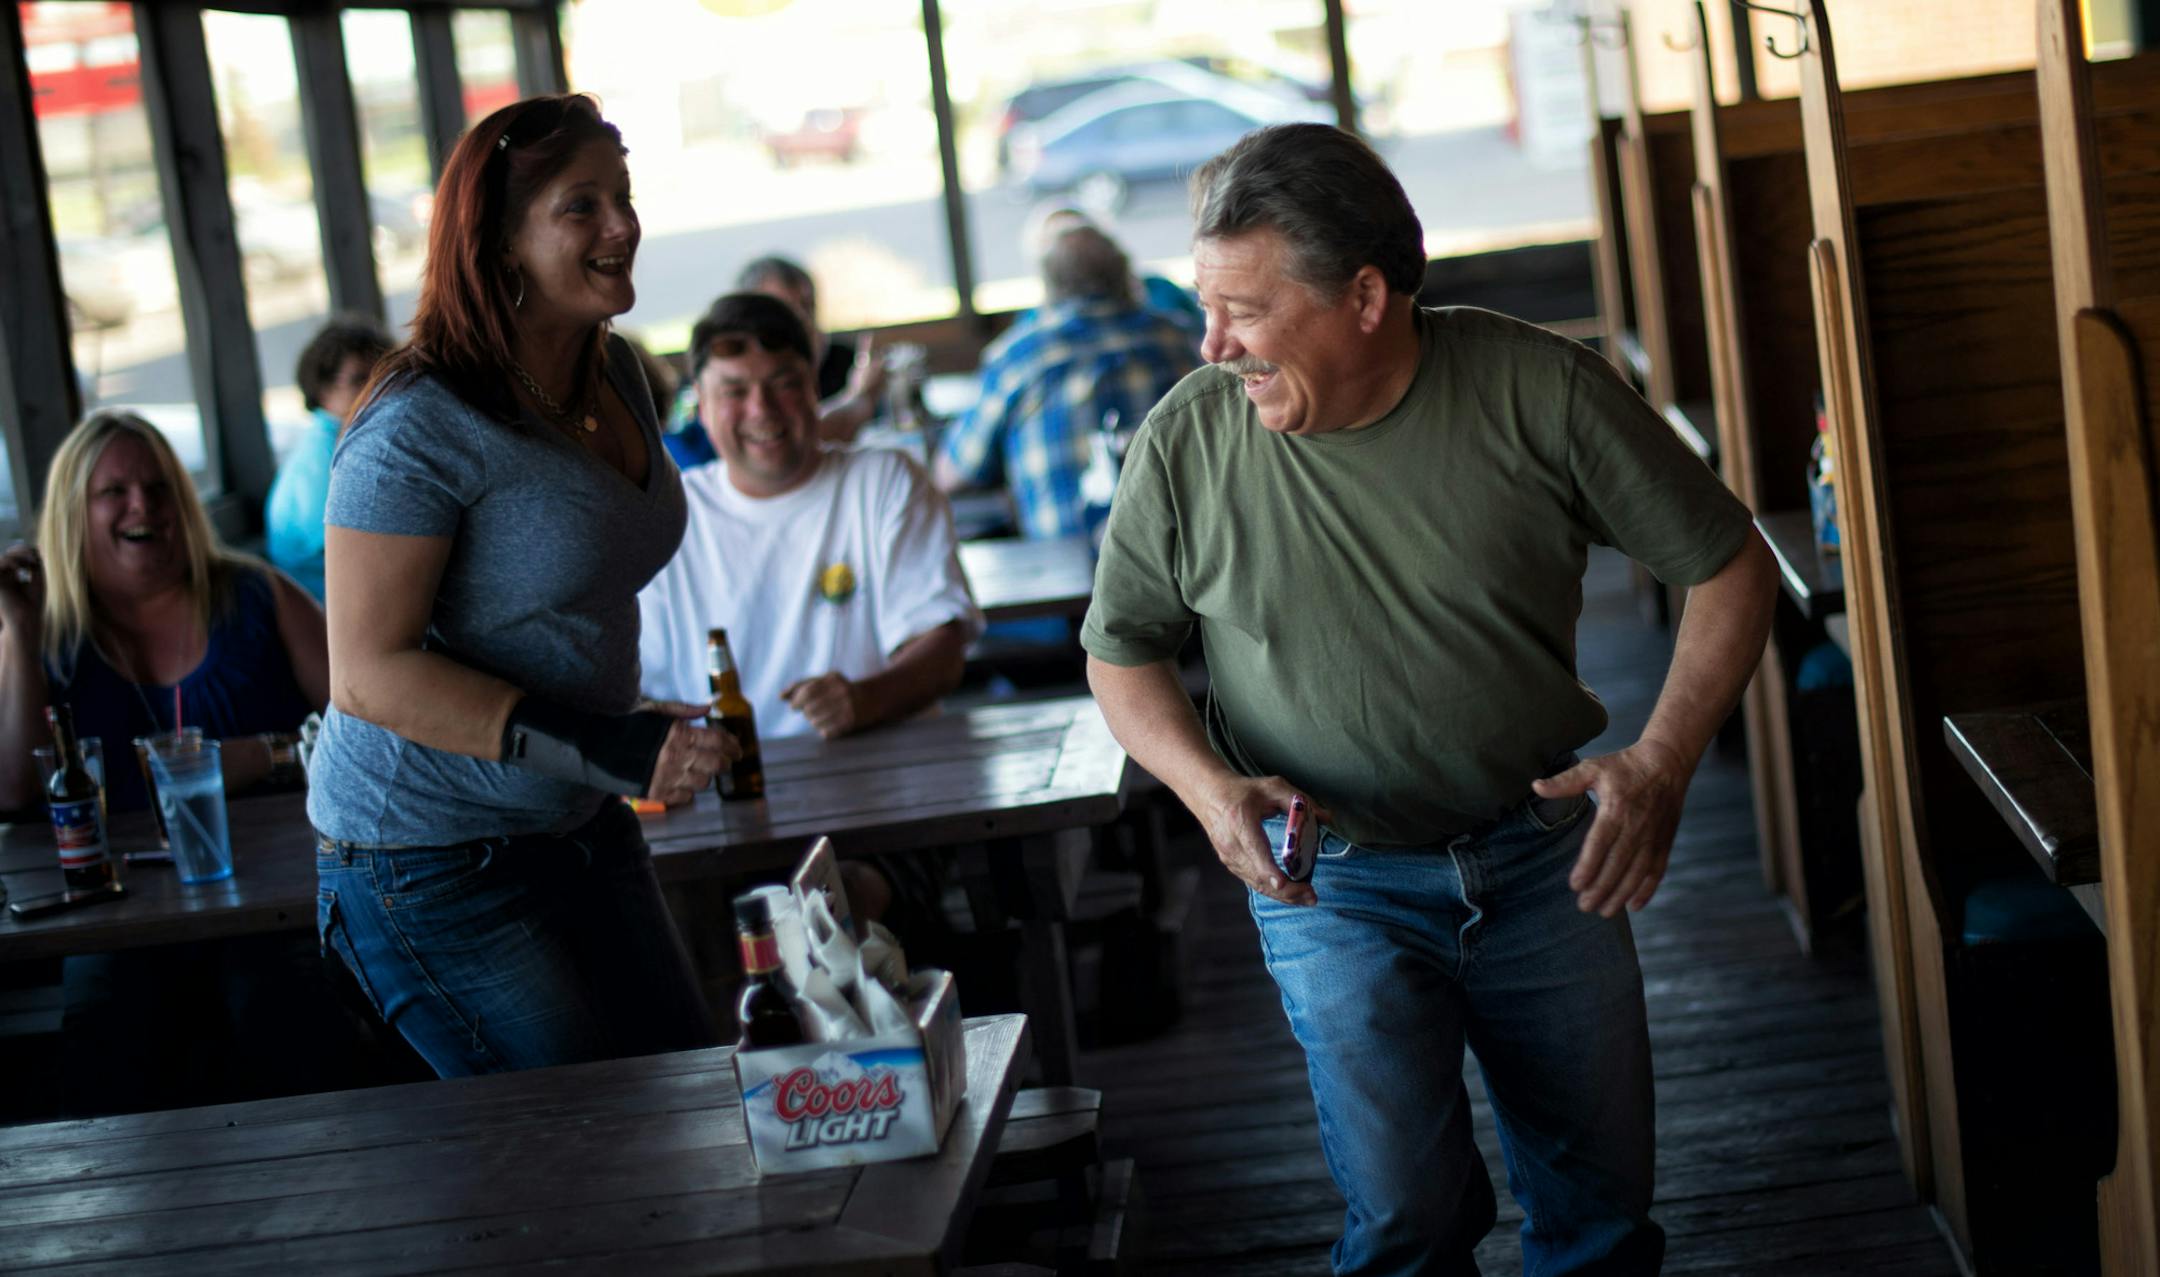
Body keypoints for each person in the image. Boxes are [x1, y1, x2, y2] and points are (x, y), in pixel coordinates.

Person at [1080, 123, 1778, 1275]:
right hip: (1333, 879)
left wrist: (1659, 761)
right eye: (1205, 306)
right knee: (1404, 1220)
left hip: (1551, 859)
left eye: (1244, 310)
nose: (1211, 346)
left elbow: (1728, 561)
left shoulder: (1539, 386)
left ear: (1364, 294)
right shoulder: (1188, 441)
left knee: (1600, 1215)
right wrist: (1209, 793)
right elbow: (1123, 652)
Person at [310, 94, 737, 1079]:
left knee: (687, 1103)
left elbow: (553, 598)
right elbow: (367, 673)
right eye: (581, 206)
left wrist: (615, 729)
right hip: (426, 856)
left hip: (576, 818)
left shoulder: (617, 371)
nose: (622, 226)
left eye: (623, 197)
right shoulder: (416, 423)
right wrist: (608, 740)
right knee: (583, 1144)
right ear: (500, 244)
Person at [0, 410, 354, 1114]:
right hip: (118, 921)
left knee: (284, 1020)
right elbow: (14, 793)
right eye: (115, 492)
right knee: (108, 1041)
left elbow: (369, 718)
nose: (144, 506)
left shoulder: (258, 596)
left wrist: (268, 756)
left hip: (277, 905)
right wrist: (18, 627)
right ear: (74, 512)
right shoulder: (50, 635)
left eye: (160, 487)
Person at [637, 292, 981, 741]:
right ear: (700, 404)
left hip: (890, 772)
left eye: (783, 384)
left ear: (815, 389)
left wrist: (864, 700)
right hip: (728, 786)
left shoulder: (884, 482)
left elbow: (943, 647)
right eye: (735, 391)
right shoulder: (667, 517)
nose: (761, 410)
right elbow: (638, 688)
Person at [935, 224, 1199, 540]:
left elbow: (953, 472)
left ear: (1049, 285)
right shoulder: (1179, 338)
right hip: (1178, 557)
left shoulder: (1019, 356)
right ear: (1125, 275)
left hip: (1066, 570)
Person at [661, 254, 886, 467]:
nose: (801, 322)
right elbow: (796, 443)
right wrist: (860, 399)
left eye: (808, 307)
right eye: (782, 312)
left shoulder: (843, 360)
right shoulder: (709, 386)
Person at [266, 314, 394, 601]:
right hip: (327, 612)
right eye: (360, 379)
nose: (377, 387)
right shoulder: (325, 457)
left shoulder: (351, 439)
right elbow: (352, 552)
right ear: (323, 390)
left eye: (385, 372)